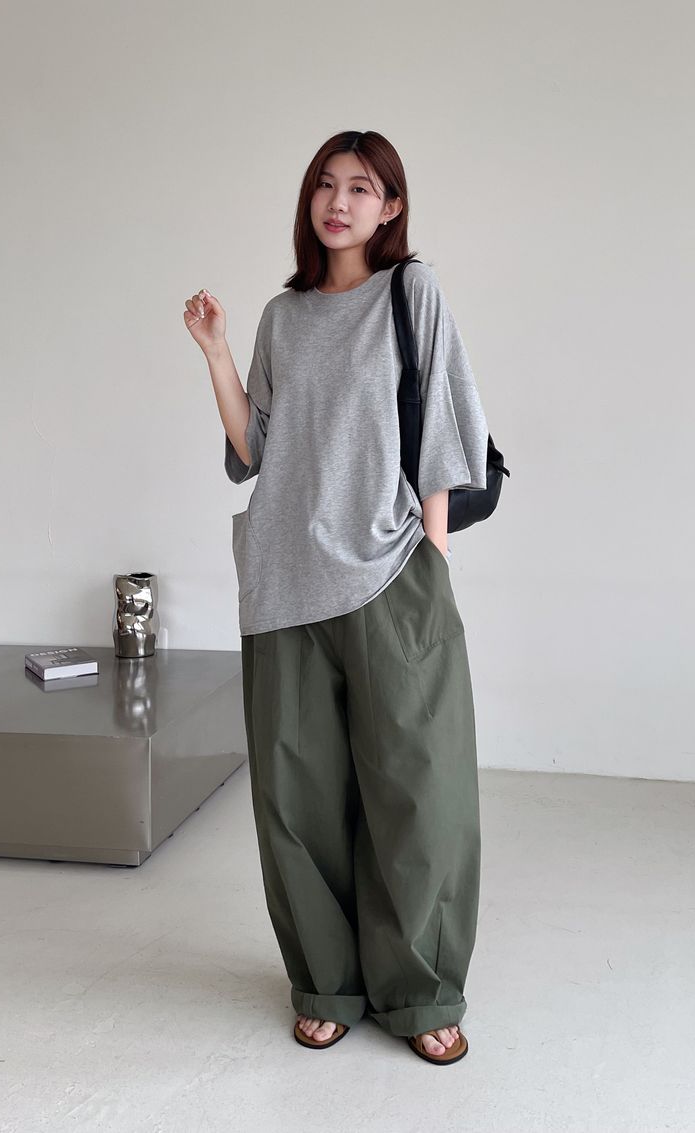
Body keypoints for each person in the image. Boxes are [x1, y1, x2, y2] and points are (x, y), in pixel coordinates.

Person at [183, 130, 488, 1066]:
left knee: (420, 791)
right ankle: (325, 981)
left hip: (391, 573)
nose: (338, 201)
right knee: (298, 798)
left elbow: (443, 431)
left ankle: (421, 989)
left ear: (390, 206)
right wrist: (217, 350)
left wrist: (432, 560)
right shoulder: (283, 317)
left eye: (361, 187)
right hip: (284, 579)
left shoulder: (410, 292)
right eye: (326, 183)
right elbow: (257, 447)